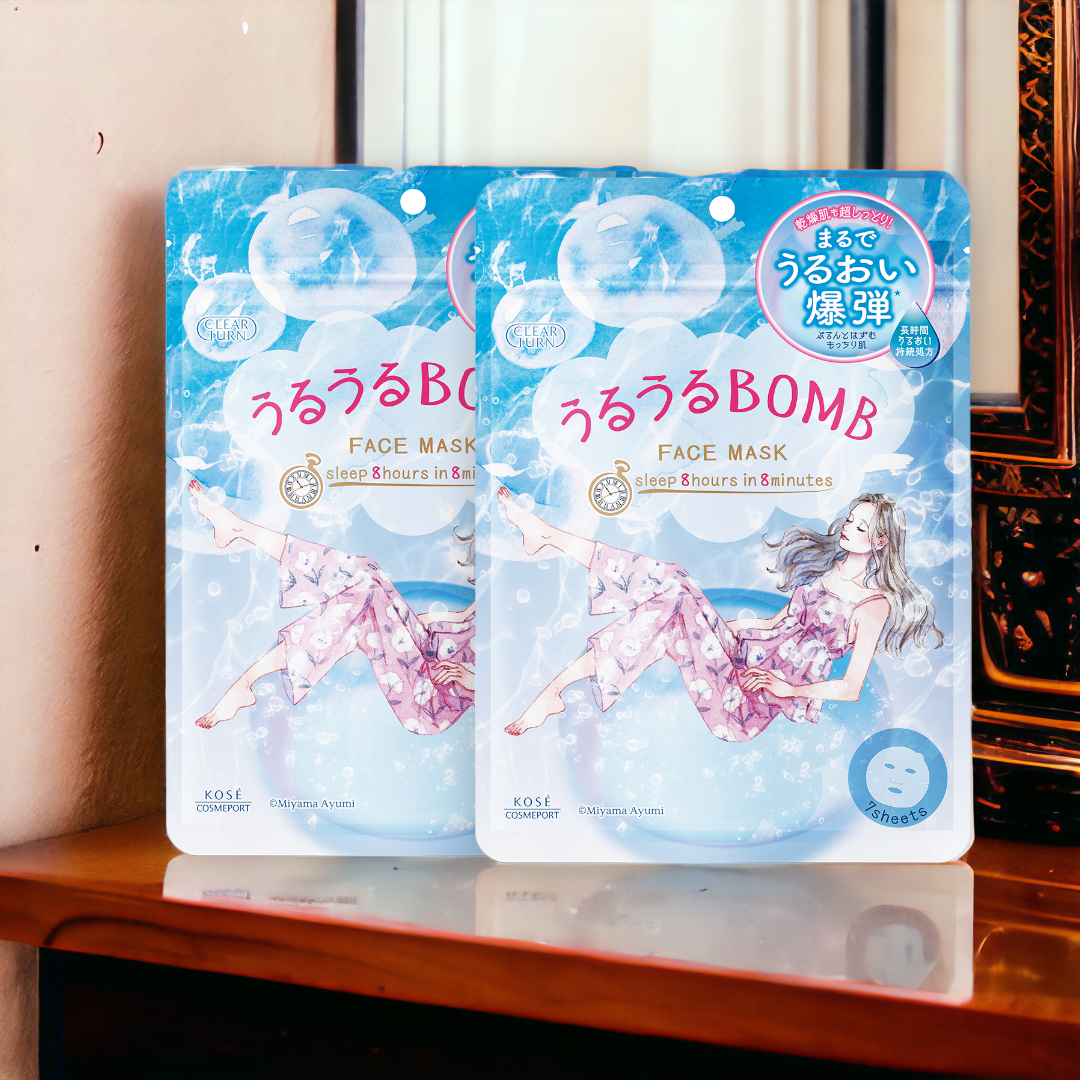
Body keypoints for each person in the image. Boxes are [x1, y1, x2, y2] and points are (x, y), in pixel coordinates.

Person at [497, 487, 941, 739]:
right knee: (673, 592)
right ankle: (548, 541)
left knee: (674, 591)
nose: (849, 527)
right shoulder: (827, 573)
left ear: (881, 541)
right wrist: (710, 625)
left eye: (862, 526)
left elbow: (850, 687)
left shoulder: (874, 604)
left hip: (748, 698)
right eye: (850, 518)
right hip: (738, 655)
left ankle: (548, 537)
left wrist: (788, 688)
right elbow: (774, 626)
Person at [188, 479, 474, 735]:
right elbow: (462, 617)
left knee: (366, 595)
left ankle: (244, 683)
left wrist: (471, 679)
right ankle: (239, 528)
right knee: (367, 573)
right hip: (428, 646)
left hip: (432, 698)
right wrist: (403, 620)